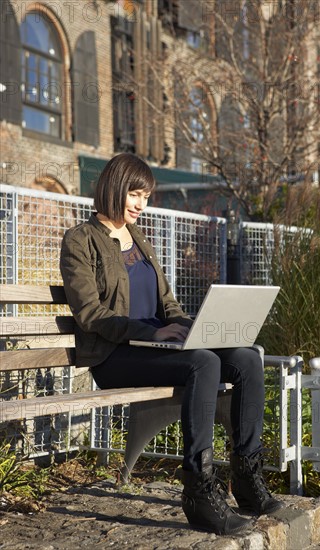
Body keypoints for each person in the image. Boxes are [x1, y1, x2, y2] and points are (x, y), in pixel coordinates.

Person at [60, 153, 283, 536]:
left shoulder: (140, 239)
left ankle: (247, 478)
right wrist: (152, 333)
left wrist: (195, 327)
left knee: (245, 358)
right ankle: (198, 489)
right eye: (135, 194)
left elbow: (167, 303)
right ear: (114, 188)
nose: (141, 204)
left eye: (146, 196)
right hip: (115, 355)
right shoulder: (81, 239)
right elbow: (90, 315)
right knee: (203, 364)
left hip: (156, 347)